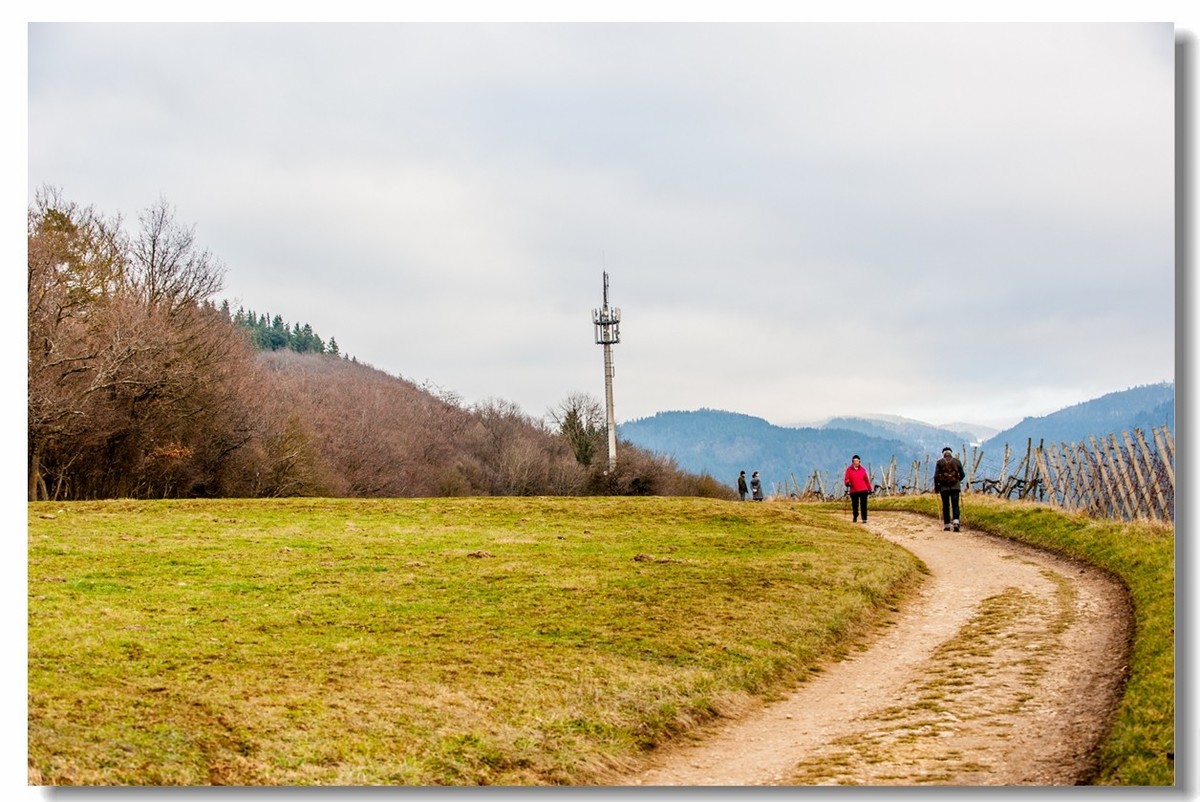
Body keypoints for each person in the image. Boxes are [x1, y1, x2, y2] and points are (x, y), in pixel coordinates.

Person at [934, 446, 966, 531]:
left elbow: (936, 476)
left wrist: (937, 487)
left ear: (943, 454)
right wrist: (958, 480)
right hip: (955, 487)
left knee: (946, 505)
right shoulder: (957, 461)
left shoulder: (939, 462)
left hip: (944, 488)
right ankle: (956, 523)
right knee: (955, 505)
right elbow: (963, 474)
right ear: (951, 453)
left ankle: (947, 525)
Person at [843, 454, 872, 522]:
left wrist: (870, 489)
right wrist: (847, 482)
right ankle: (855, 515)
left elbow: (866, 480)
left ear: (859, 462)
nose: (856, 462)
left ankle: (864, 518)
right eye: (855, 461)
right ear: (852, 462)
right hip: (854, 490)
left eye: (857, 461)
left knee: (864, 504)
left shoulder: (863, 469)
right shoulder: (849, 470)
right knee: (855, 505)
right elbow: (846, 478)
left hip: (863, 489)